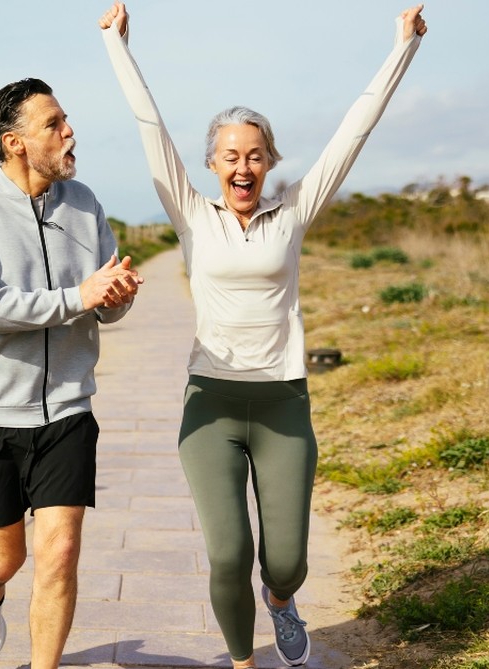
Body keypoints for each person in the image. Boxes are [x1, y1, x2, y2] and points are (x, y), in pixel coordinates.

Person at [98, 4, 427, 668]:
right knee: (226, 552)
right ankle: (243, 661)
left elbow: (354, 130)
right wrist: (117, 45)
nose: (243, 166)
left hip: (282, 401)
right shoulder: (192, 214)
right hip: (210, 405)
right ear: (214, 164)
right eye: (230, 156)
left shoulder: (295, 211)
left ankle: (281, 601)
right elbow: (149, 125)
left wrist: (403, 46)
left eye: (254, 154)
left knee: (286, 559)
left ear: (270, 160)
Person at [0, 77, 143, 668]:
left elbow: (105, 301)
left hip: (68, 410)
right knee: (5, 560)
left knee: (61, 553)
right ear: (15, 142)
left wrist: (116, 295)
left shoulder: (84, 203)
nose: (69, 131)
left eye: (65, 119)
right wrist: (79, 296)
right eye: (53, 123)